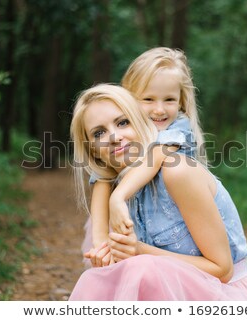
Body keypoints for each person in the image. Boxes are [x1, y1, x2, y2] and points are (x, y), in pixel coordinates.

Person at [69, 84, 247, 300]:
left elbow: (222, 270)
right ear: (92, 149)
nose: (114, 136)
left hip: (221, 293)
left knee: (141, 267)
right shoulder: (112, 185)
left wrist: (137, 251)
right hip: (169, 293)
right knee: (97, 279)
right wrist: (110, 257)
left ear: (141, 122)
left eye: (123, 122)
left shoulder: (177, 170)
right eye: (99, 133)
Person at [83, 48, 206, 266]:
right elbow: (102, 175)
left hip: (181, 243)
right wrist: (100, 242)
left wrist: (118, 196)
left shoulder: (178, 127)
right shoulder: (125, 131)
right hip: (146, 235)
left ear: (181, 102)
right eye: (148, 99)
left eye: (169, 99)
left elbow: (156, 157)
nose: (159, 110)